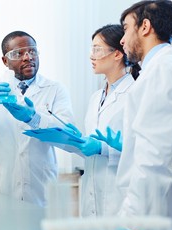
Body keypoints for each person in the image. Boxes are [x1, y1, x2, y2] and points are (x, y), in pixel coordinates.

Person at [114, 0, 172, 230]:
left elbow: (153, 158)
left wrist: (131, 221)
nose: (122, 39)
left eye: (126, 28)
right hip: (156, 206)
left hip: (164, 210)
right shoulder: (158, 70)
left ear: (145, 27)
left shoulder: (164, 70)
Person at [0, 31, 75, 207]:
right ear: (5, 61)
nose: (28, 57)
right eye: (18, 53)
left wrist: (34, 118)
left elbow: (68, 137)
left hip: (40, 190)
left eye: (32, 51)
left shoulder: (55, 89)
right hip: (0, 189)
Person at [45, 24, 138, 217]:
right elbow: (91, 147)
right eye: (92, 49)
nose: (91, 55)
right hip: (91, 192)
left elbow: (142, 150)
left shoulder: (135, 93)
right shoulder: (96, 97)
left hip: (120, 194)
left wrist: (103, 149)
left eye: (97, 49)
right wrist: (75, 139)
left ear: (117, 54)